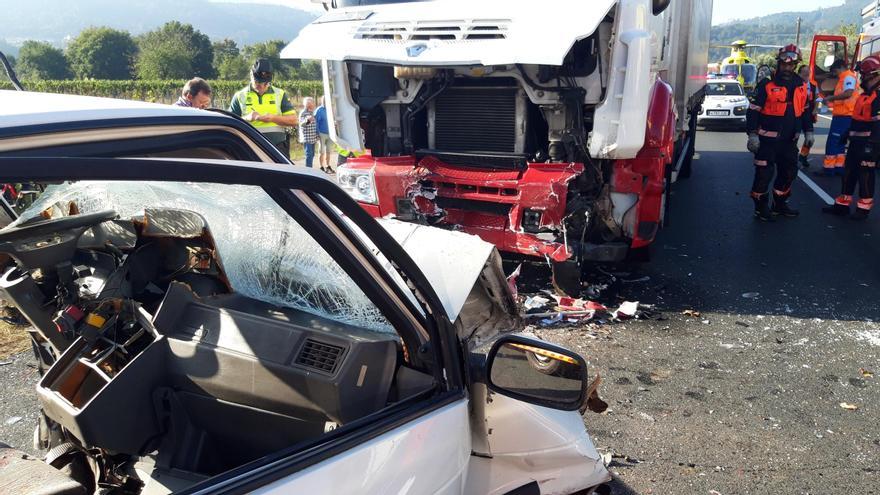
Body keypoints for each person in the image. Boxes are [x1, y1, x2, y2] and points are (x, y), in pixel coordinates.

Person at [746, 44, 814, 221]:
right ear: (778, 64)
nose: (787, 68)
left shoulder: (801, 86)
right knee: (764, 175)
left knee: (789, 173)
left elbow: (805, 111)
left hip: (789, 142)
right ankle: (760, 208)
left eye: (791, 65)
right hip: (767, 142)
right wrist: (752, 134)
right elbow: (753, 110)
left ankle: (780, 204)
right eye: (784, 65)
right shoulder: (766, 84)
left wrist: (809, 131)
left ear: (796, 65)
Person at [822, 55, 880, 220]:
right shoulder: (863, 96)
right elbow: (857, 118)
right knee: (849, 173)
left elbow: (878, 125)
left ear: (871, 75)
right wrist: (847, 134)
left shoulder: (878, 97)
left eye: (863, 74)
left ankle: (863, 209)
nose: (861, 77)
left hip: (869, 144)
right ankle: (842, 205)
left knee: (865, 175)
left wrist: (872, 146)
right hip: (856, 142)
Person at [229, 59, 298, 157]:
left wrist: (273, 118)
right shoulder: (240, 96)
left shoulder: (280, 94)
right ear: (251, 76)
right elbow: (229, 122)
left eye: (265, 83)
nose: (261, 86)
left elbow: (294, 120)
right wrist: (246, 118)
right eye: (258, 83)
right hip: (249, 149)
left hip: (278, 148)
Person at [819, 59, 858, 176]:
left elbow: (848, 93)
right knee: (840, 143)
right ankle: (838, 167)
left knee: (833, 142)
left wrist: (830, 98)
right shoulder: (845, 78)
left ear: (841, 67)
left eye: (835, 71)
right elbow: (843, 99)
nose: (835, 74)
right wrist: (830, 102)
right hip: (845, 115)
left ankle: (828, 169)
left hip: (844, 116)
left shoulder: (848, 78)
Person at [797, 65, 819, 168]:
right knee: (793, 137)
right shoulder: (795, 84)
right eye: (804, 72)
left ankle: (803, 156)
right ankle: (789, 157)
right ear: (799, 73)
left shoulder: (814, 86)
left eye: (808, 72)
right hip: (796, 115)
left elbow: (816, 99)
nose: (806, 74)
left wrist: (815, 110)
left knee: (810, 139)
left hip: (807, 115)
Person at [298, 97, 318, 168]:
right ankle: (308, 170)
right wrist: (308, 120)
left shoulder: (313, 112)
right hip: (307, 138)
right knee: (309, 154)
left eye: (311, 104)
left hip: (313, 137)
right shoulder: (303, 112)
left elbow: (316, 124)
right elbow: (301, 124)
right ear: (305, 105)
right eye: (308, 104)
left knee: (312, 155)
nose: (310, 105)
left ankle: (310, 168)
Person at [315, 96, 333, 173]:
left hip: (330, 134)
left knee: (329, 151)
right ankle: (321, 167)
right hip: (321, 133)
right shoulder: (319, 110)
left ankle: (328, 166)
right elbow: (316, 122)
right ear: (322, 101)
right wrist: (317, 133)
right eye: (325, 100)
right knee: (322, 151)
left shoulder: (331, 109)